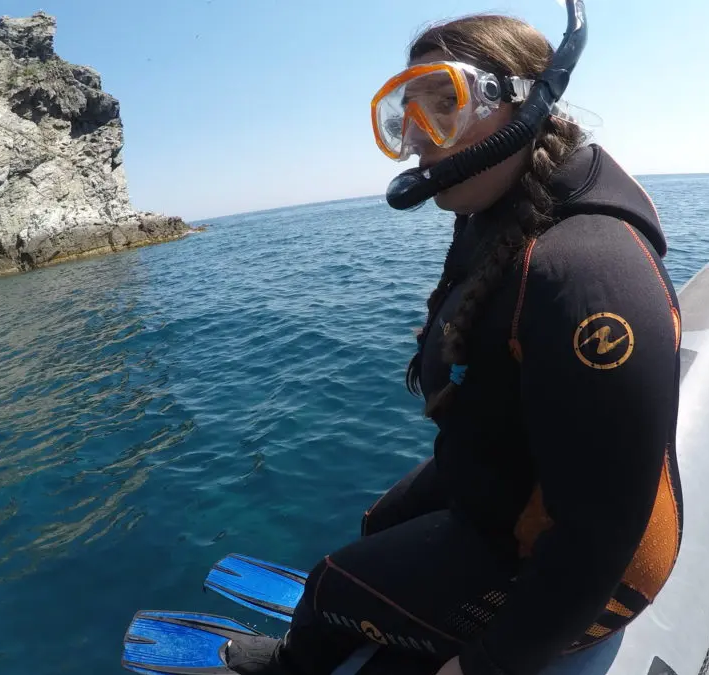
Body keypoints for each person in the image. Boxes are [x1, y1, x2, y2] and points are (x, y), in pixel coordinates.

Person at [228, 9, 684, 675]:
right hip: (513, 472)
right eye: (405, 114)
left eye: (444, 107)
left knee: (330, 586)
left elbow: (597, 541)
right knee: (379, 522)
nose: (415, 140)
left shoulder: (590, 276)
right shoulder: (493, 212)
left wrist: (484, 666)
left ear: (521, 105)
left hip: (590, 575)